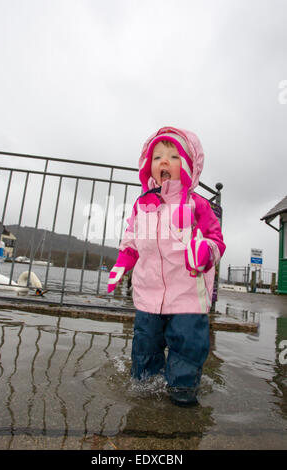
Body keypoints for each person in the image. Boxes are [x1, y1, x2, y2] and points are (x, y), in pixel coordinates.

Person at [107, 126, 226, 407]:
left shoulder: (197, 205)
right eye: (157, 156)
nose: (164, 161)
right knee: (144, 345)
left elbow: (216, 240)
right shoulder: (142, 206)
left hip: (187, 297)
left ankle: (182, 391)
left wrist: (205, 251)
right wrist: (122, 263)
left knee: (186, 348)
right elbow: (132, 240)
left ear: (186, 166)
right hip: (149, 295)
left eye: (173, 156)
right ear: (148, 166)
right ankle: (146, 384)